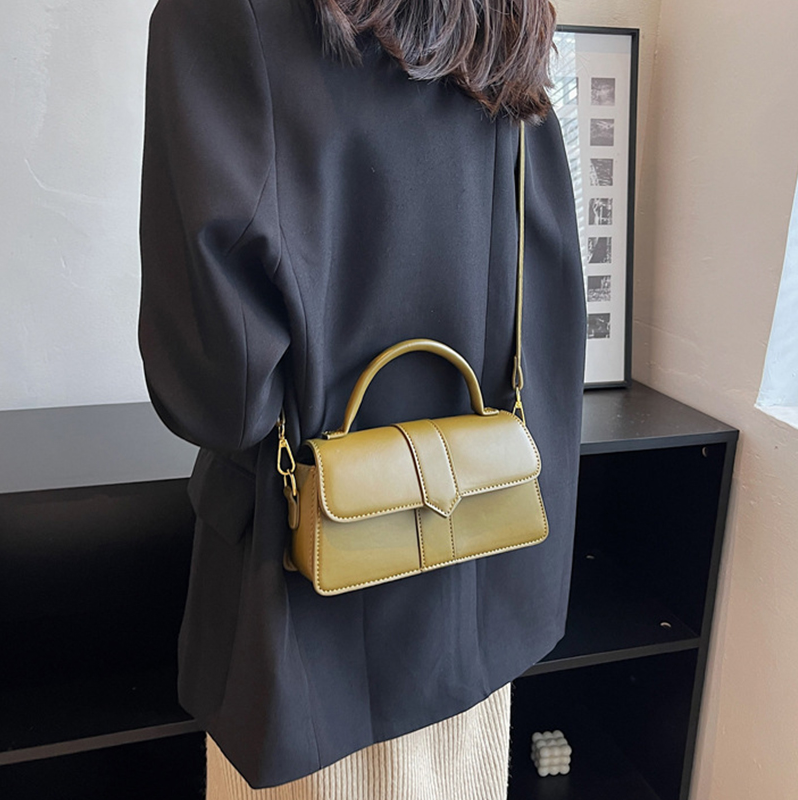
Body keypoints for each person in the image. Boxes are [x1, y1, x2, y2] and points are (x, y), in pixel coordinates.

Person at [138, 0, 586, 794]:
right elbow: (545, 329)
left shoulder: (223, 16)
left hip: (308, 627)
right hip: (476, 600)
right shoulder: (504, 24)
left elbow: (217, 394)